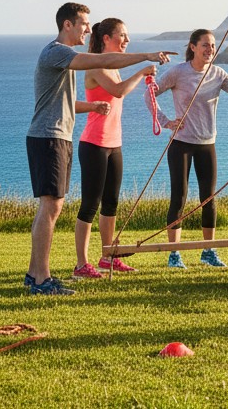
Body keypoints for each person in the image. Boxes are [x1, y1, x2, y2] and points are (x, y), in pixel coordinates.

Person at [26, 2, 174, 295]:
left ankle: (36, 274)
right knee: (51, 206)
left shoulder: (62, 58)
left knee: (53, 206)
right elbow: (104, 61)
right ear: (67, 25)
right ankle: (41, 279)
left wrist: (92, 106)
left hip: (59, 136)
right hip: (48, 137)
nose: (87, 29)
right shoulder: (57, 52)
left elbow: (66, 102)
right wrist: (145, 57)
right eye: (83, 23)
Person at [153, 28, 228, 268]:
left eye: (212, 45)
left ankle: (208, 251)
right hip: (181, 144)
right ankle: (174, 254)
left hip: (206, 144)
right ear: (193, 47)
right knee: (179, 198)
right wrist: (166, 122)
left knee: (208, 199)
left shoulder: (218, 73)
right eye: (205, 44)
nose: (210, 49)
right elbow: (150, 94)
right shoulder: (178, 72)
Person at [73, 18, 156, 279]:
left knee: (111, 203)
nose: (127, 40)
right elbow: (118, 91)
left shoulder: (114, 67)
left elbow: (119, 90)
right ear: (107, 38)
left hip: (114, 144)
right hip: (94, 144)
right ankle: (81, 264)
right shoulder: (96, 65)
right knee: (90, 205)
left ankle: (108, 256)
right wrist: (142, 72)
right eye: (122, 35)